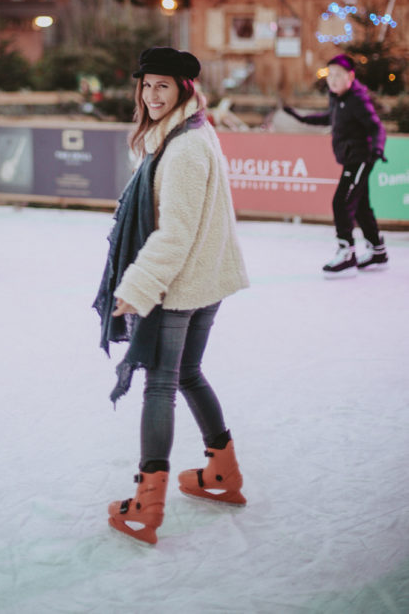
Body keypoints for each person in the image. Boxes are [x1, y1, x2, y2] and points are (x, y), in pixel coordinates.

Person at [93, 47, 250, 546]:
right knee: (187, 373)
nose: (152, 95)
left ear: (184, 88)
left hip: (182, 282)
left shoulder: (182, 149)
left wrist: (135, 288)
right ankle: (222, 473)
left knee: (159, 385)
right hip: (209, 276)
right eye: (146, 85)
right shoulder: (193, 130)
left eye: (163, 85)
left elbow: (175, 233)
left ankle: (146, 503)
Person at [283, 53, 388, 276]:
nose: (332, 80)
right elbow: (330, 117)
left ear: (350, 76)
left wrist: (378, 149)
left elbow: (376, 127)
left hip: (361, 157)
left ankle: (346, 253)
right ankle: (377, 251)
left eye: (338, 75)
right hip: (351, 157)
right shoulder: (338, 97)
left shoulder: (357, 99)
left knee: (342, 202)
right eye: (330, 75)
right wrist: (301, 117)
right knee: (360, 205)